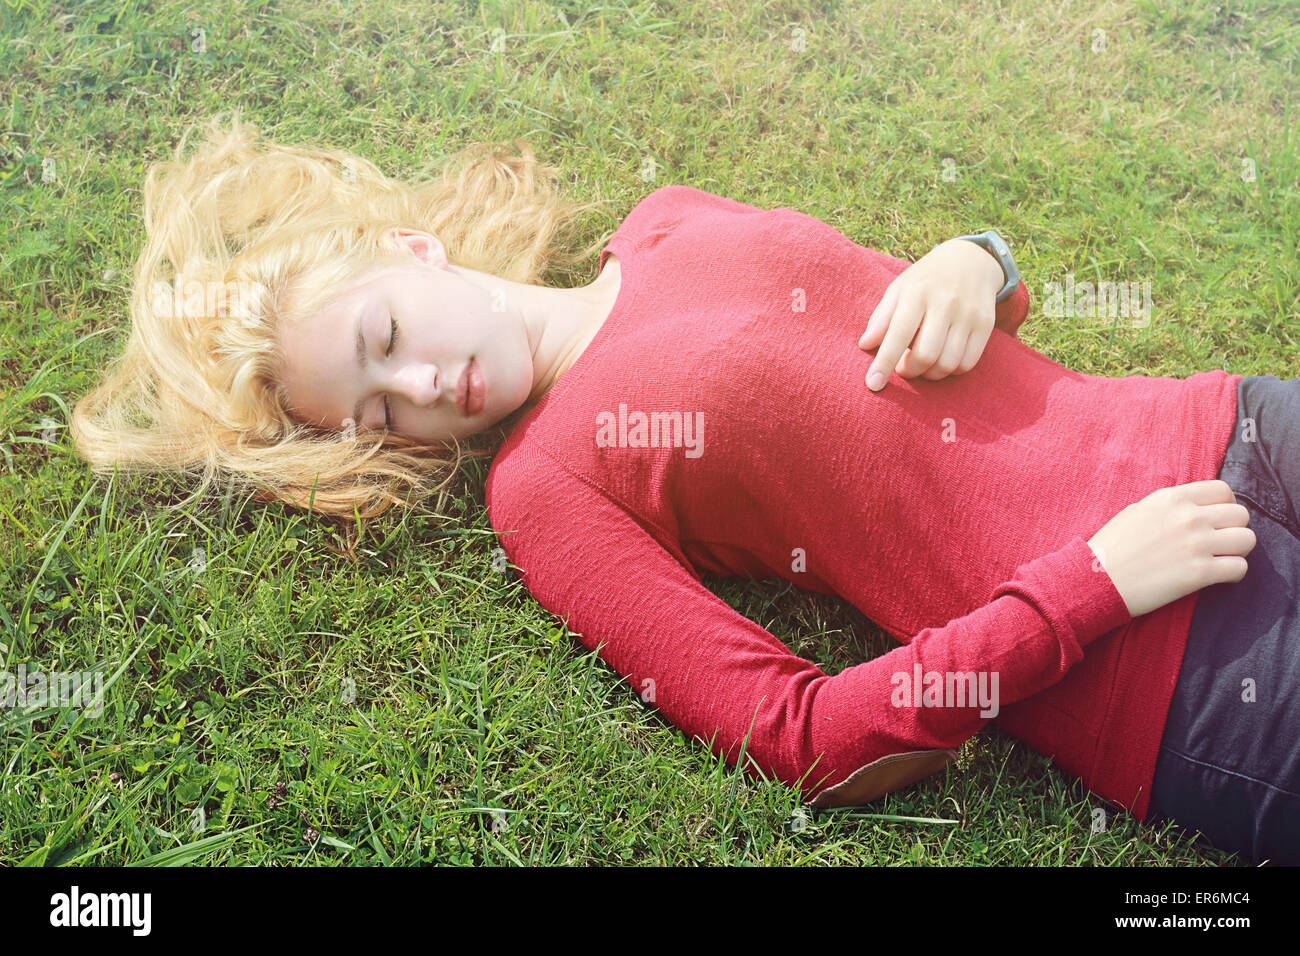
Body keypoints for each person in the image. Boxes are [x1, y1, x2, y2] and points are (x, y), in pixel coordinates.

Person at [72, 116, 1294, 865]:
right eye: (380, 408)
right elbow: (801, 739)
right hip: (1170, 658)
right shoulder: (544, 489)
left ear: (413, 250)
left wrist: (977, 262)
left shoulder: (666, 221)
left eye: (388, 333)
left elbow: (933, 336)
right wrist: (1082, 590)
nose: (427, 382)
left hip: (1225, 420)